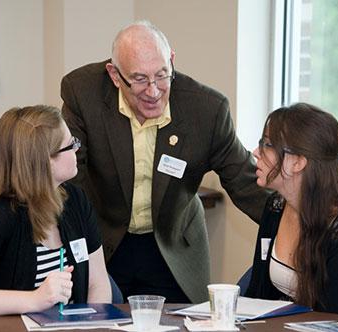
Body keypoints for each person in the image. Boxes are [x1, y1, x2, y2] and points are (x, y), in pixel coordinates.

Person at [60, 20, 269, 303]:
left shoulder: (206, 110)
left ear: (172, 61)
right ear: (114, 74)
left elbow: (246, 183)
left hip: (171, 244)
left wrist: (303, 224)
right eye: (140, 79)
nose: (154, 90)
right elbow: (72, 177)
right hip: (104, 239)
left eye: (161, 75)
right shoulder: (83, 93)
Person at [0, 105, 111, 316]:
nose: (77, 148)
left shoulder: (76, 201)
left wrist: (95, 325)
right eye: (70, 144)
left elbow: (98, 284)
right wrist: (34, 300)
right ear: (44, 162)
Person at [246, 102, 338, 316]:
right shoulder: (275, 207)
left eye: (268, 144)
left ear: (298, 162)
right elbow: (257, 296)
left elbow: (332, 321)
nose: (255, 152)